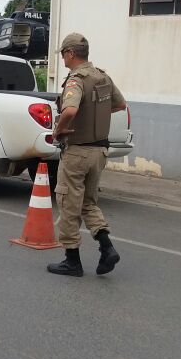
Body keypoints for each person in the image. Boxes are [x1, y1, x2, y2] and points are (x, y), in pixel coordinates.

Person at [47, 33, 128, 277]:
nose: (62, 58)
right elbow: (120, 105)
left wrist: (59, 131)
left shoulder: (76, 79)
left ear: (71, 53)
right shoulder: (102, 76)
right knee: (88, 203)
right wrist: (94, 113)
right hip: (99, 152)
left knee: (68, 205)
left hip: (78, 152)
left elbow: (70, 109)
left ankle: (72, 261)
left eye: (63, 54)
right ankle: (107, 247)